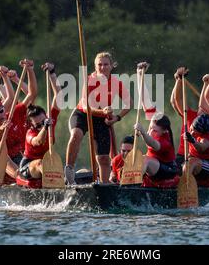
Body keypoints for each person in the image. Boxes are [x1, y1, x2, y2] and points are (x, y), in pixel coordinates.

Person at [65, 52, 133, 184]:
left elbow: (129, 103)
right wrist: (102, 111)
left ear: (111, 66)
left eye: (105, 64)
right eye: (99, 65)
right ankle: (69, 171)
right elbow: (85, 106)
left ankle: (104, 186)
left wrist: (117, 117)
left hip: (101, 119)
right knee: (76, 134)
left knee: (103, 158)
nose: (102, 68)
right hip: (82, 114)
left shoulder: (116, 83)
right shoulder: (90, 80)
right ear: (95, 66)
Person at [0, 59, 38, 179]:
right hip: (3, 159)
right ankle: (21, 178)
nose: (0, 116)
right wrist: (2, 129)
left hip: (22, 155)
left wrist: (30, 70)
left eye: (1, 111)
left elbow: (32, 94)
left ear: (5, 109)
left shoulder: (15, 113)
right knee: (9, 161)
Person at [134, 62, 179, 185]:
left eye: (154, 130)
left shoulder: (165, 141)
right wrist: (139, 74)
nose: (151, 131)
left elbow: (153, 144)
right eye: (150, 128)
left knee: (145, 160)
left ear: (163, 131)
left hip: (168, 170)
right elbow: (144, 98)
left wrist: (143, 132)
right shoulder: (155, 117)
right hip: (155, 166)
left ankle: (133, 185)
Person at [18, 63, 61, 181]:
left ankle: (60, 182)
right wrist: (45, 127)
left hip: (47, 163)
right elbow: (38, 141)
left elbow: (59, 96)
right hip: (28, 166)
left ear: (46, 117)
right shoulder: (30, 133)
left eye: (43, 122)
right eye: (37, 125)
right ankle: (54, 183)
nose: (41, 125)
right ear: (31, 124)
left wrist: (52, 74)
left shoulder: (50, 119)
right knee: (41, 164)